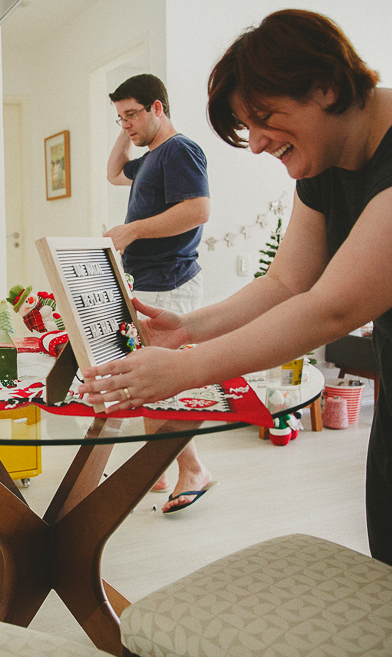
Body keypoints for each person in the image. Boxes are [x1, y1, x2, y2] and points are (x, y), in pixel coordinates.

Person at [80, 9, 392, 580]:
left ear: (325, 87)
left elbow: (335, 306)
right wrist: (188, 329)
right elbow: (286, 282)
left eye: (263, 120)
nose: (256, 144)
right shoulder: (327, 162)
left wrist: (183, 371)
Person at [106, 73, 214, 514]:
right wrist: (126, 128)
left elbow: (198, 209)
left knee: (158, 384)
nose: (126, 123)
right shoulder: (151, 156)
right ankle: (160, 467)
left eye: (133, 113)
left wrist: (130, 230)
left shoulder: (179, 150)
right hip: (153, 282)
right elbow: (114, 173)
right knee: (148, 382)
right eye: (119, 116)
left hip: (172, 284)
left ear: (158, 107)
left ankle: (193, 469)